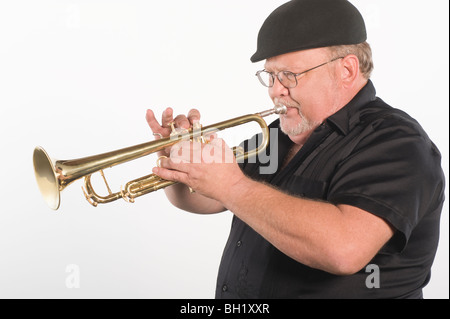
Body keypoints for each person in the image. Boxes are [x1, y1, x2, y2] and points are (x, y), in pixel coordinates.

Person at [146, 0, 445, 299]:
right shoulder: (280, 135)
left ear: (347, 70)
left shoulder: (397, 143)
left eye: (290, 75)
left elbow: (344, 250)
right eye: (271, 76)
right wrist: (177, 161)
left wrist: (233, 186)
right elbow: (206, 198)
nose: (276, 89)